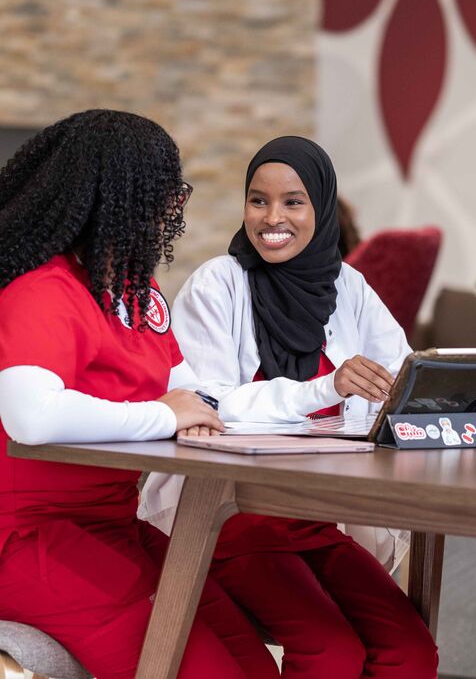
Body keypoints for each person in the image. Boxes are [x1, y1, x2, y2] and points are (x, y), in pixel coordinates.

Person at [140, 136, 439, 678]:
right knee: (330, 653)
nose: (272, 217)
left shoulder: (348, 286)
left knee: (411, 651)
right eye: (258, 200)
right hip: (226, 515)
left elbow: (403, 379)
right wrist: (326, 391)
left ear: (321, 207)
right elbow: (205, 404)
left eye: (293, 201)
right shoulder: (218, 284)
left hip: (316, 516)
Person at [0, 109, 284, 679]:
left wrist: (304, 404)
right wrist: (160, 416)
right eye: (165, 193)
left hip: (112, 525)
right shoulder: (41, 291)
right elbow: (31, 416)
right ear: (121, 200)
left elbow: (190, 393)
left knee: (253, 665)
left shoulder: (135, 290)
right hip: (27, 538)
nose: (172, 209)